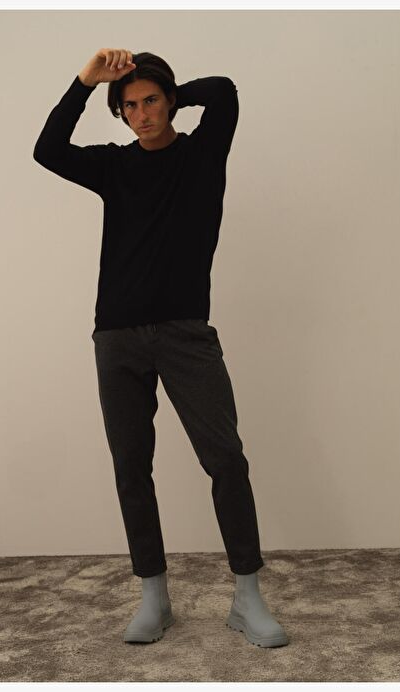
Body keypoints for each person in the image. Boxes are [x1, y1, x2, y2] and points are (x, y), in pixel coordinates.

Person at [33, 47, 289, 648]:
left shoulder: (203, 154)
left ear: (170, 102)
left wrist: (159, 82)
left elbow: (223, 90)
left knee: (225, 460)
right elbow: (47, 150)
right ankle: (154, 596)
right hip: (117, 336)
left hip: (185, 334)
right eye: (130, 106)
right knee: (131, 466)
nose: (142, 114)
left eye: (151, 101)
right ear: (119, 114)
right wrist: (86, 81)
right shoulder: (113, 165)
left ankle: (247, 597)